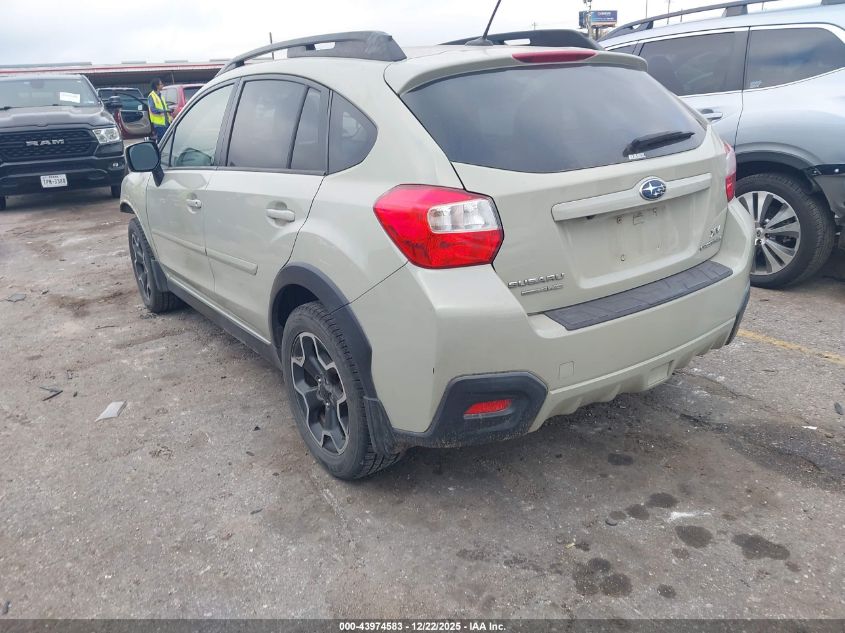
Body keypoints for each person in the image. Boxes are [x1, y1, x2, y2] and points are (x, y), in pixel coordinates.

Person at [147, 78, 171, 143]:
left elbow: (164, 107)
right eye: (161, 84)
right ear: (156, 86)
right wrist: (164, 111)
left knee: (167, 141)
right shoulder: (151, 96)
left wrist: (169, 111)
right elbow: (153, 109)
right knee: (162, 142)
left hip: (166, 123)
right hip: (159, 124)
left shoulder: (161, 96)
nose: (162, 85)